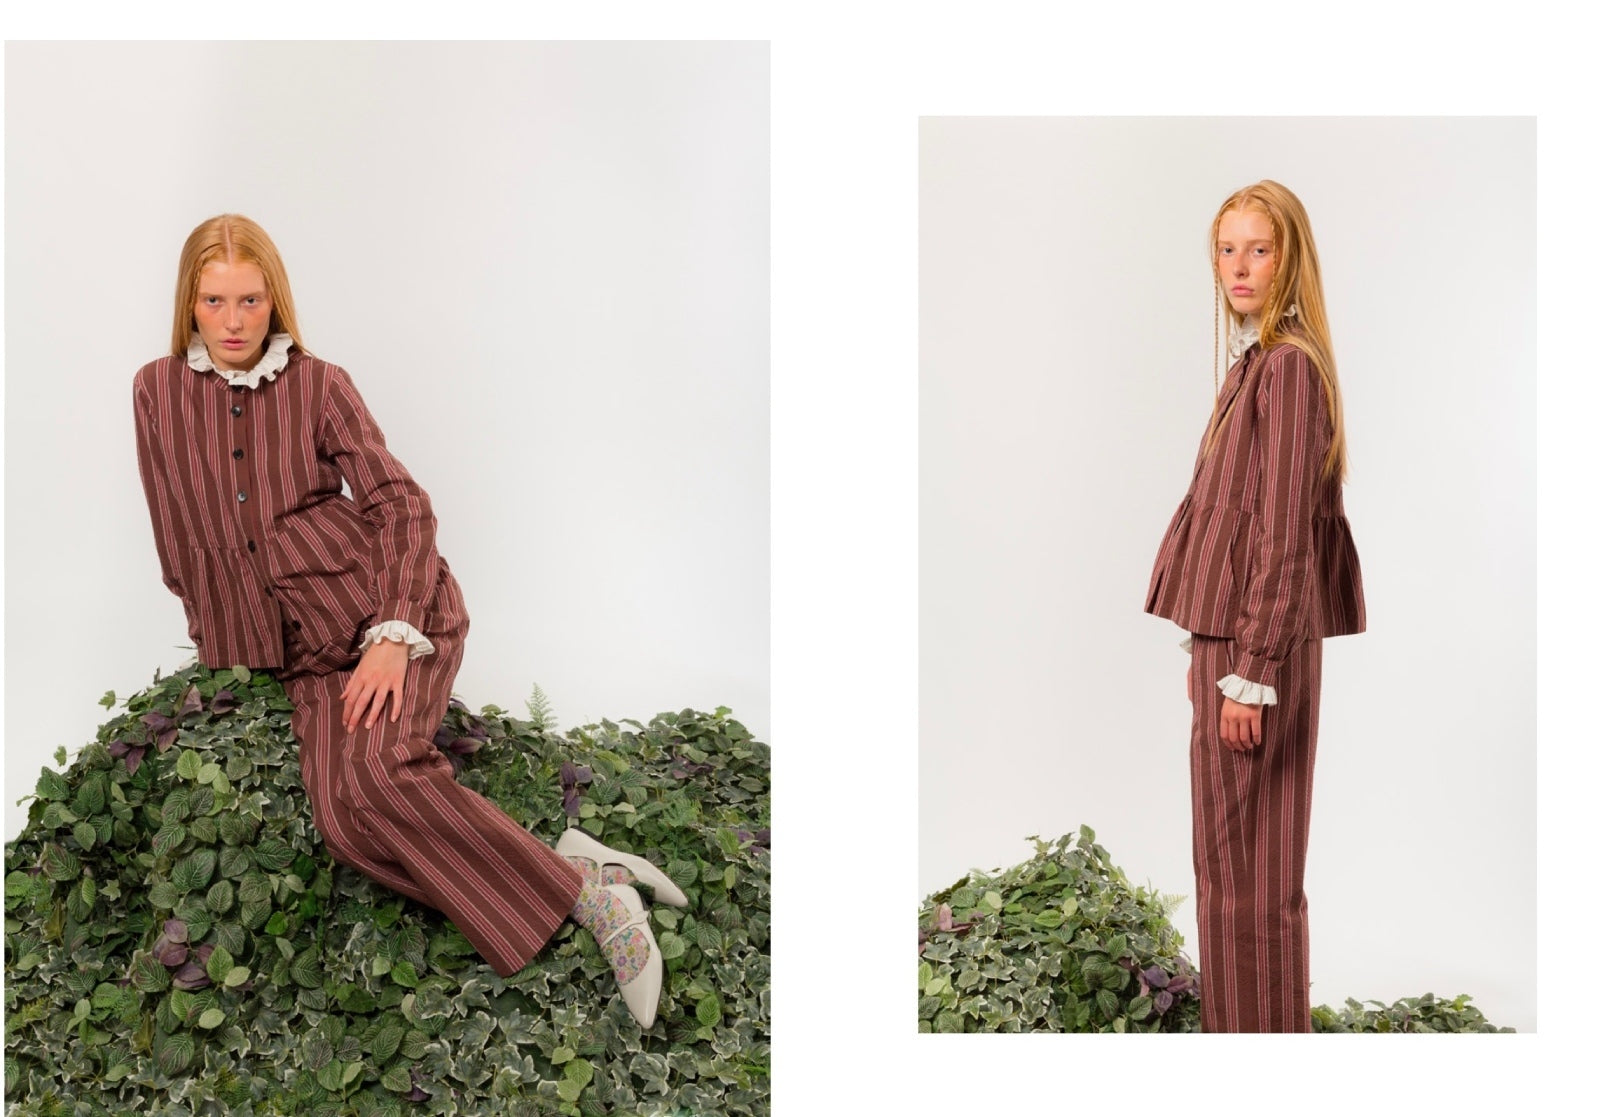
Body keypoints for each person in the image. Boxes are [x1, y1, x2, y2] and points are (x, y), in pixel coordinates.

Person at [132, 214, 686, 1029]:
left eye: (251, 299)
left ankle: (600, 908)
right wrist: (224, 645)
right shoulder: (156, 389)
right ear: (190, 305)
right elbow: (174, 525)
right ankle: (575, 870)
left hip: (390, 612)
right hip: (300, 655)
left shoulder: (319, 384)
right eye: (215, 301)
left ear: (274, 299)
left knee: (377, 773)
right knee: (343, 820)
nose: (236, 320)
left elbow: (400, 503)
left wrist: (393, 633)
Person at [1143, 180, 1366, 1032]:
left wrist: (1252, 674)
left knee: (1248, 886)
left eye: (1259, 249)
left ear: (1290, 258)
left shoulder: (1288, 370)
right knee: (1234, 877)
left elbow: (1280, 535)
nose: (1239, 267)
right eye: (1226, 249)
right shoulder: (1260, 365)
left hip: (1251, 657)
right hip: (1234, 648)